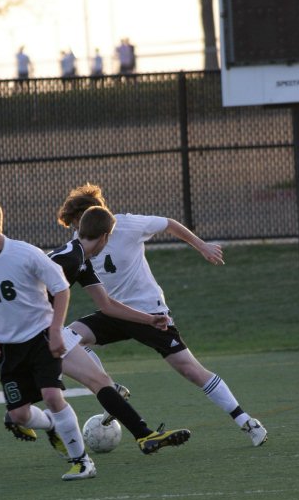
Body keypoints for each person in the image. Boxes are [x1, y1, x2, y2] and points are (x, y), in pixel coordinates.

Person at [56, 184, 268, 448]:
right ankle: (111, 389)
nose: (78, 230)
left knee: (191, 370)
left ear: (93, 215)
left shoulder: (127, 224)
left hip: (148, 311)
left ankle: (245, 420)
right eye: (75, 226)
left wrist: (201, 246)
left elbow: (168, 223)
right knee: (68, 338)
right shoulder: (78, 247)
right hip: (114, 311)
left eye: (79, 222)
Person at [5, 205, 191, 455]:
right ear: (105, 237)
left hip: (42, 330)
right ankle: (20, 414)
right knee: (85, 383)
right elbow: (30, 289)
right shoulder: (68, 259)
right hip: (32, 332)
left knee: (100, 382)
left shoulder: (80, 261)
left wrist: (149, 320)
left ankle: (145, 436)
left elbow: (107, 305)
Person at [0, 198, 96, 481]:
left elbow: (61, 289)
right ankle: (54, 428)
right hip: (9, 348)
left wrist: (57, 330)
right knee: (19, 415)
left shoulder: (27, 254)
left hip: (41, 337)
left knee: (51, 395)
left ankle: (82, 461)